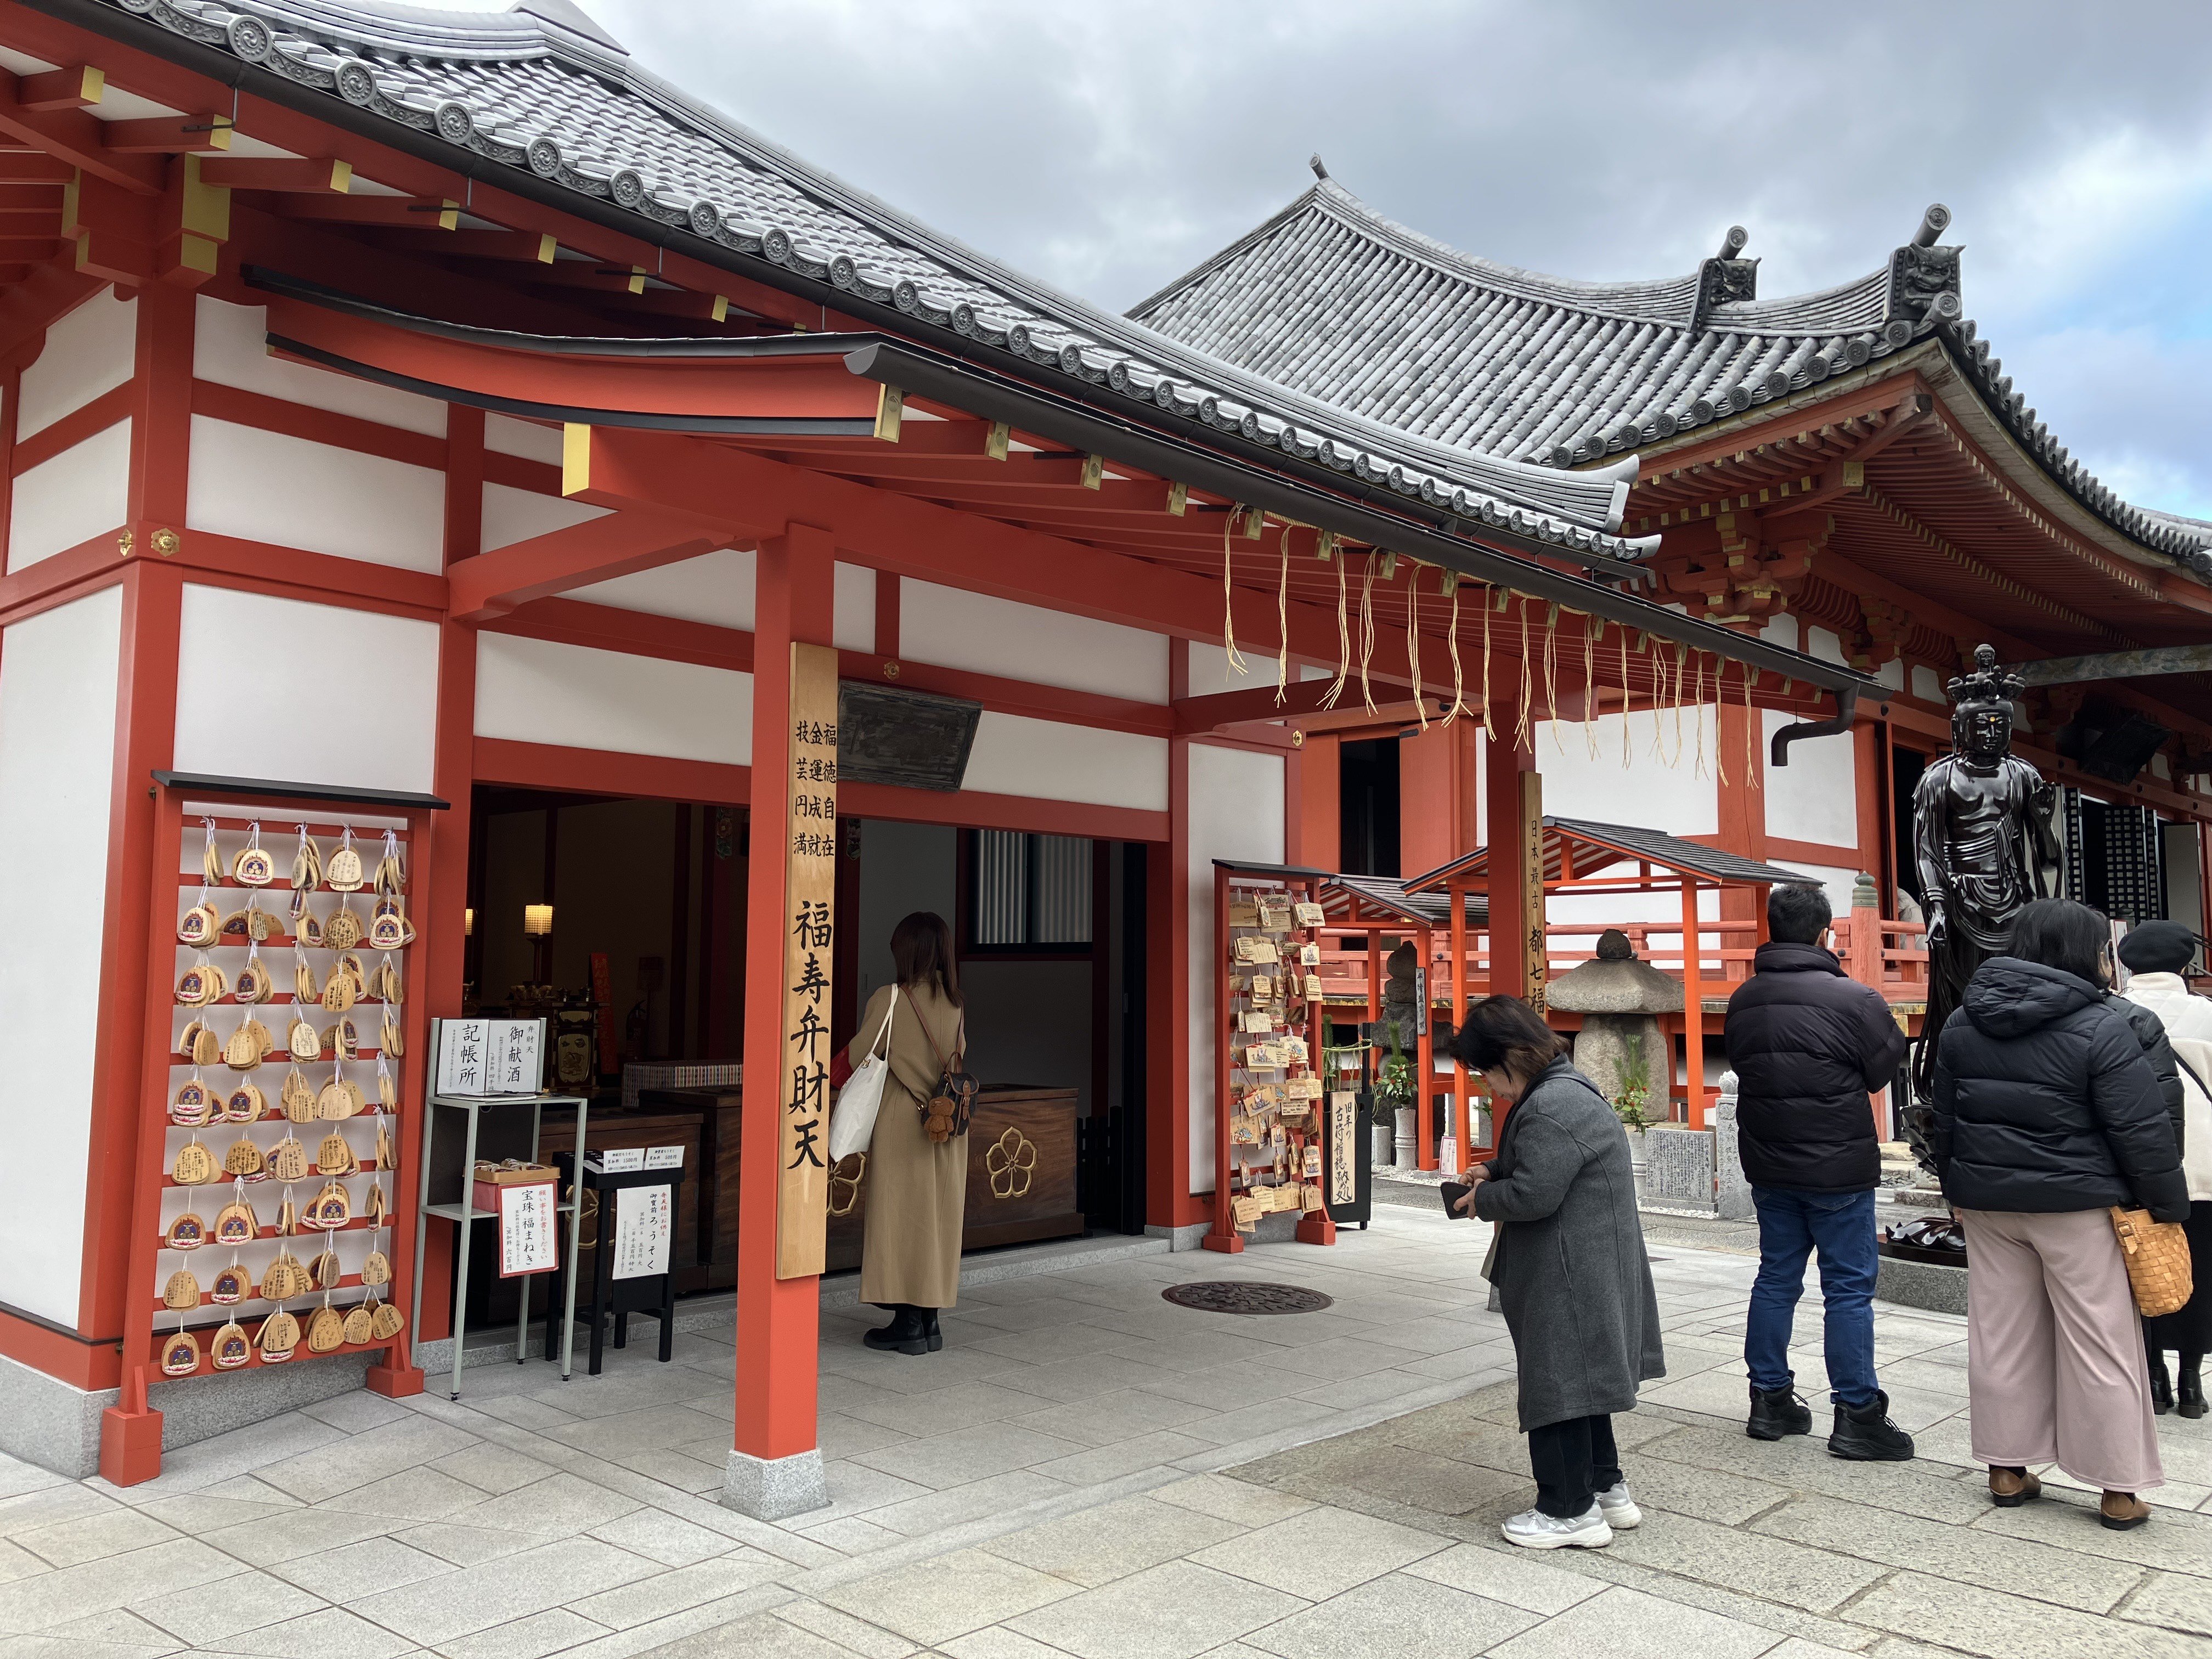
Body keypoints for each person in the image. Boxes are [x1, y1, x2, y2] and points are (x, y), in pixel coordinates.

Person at [1930, 897, 2188, 1529]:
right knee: (2101, 1342)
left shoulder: (1964, 1022)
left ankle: (2006, 1468)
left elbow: (1945, 1120)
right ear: (2088, 953)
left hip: (1989, 1204)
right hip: (2078, 1205)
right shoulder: (2105, 1025)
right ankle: (2119, 1488)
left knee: (2002, 1336)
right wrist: (2166, 1207)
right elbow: (2141, 1130)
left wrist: (1954, 1190)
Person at [1451, 996, 1664, 1549]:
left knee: (1559, 1383)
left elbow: (1535, 1192)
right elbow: (1552, 1158)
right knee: (1586, 1380)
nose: (1486, 1086)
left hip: (1568, 1267)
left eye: (1485, 1071)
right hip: (1587, 1260)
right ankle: (1605, 1489)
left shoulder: (1549, 1106)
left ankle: (1568, 1510)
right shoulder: (1566, 1090)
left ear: (1509, 1058)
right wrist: (1495, 1167)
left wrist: (1483, 1197)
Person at [1723, 882, 1915, 1459]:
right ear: (1825, 932)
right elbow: (1885, 1066)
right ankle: (1857, 1413)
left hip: (1771, 1161)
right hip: (1838, 1168)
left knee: (1777, 1277)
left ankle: (1769, 1399)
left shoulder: (1743, 999)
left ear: (1772, 929)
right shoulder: (1855, 999)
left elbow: (1741, 1064)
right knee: (1848, 1290)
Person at [846, 912, 969, 1356]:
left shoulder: (892, 998)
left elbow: (864, 1053)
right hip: (949, 1121)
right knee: (937, 1217)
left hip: (906, 1119)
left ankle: (907, 1322)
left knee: (899, 1218)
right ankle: (931, 1321)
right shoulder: (956, 1003)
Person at [2117, 918, 2212, 1418]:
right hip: (2202, 1166)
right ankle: (2192, 1383)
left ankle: (2152, 1376)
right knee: (2200, 1270)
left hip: (2133, 1167)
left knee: (2139, 1269)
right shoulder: (2207, 1015)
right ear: (2183, 965)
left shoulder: (2111, 1014)